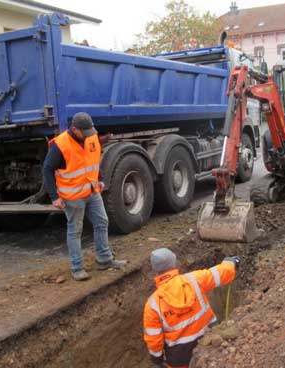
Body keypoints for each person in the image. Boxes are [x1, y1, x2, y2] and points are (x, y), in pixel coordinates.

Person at [43, 112, 126, 281]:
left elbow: (94, 160)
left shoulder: (91, 137)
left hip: (92, 191)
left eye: (90, 130)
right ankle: (77, 268)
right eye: (85, 131)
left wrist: (100, 178)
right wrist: (54, 197)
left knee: (102, 222)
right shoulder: (60, 145)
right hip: (72, 197)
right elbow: (47, 169)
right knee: (75, 231)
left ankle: (105, 259)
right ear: (74, 129)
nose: (89, 134)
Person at [143, 248, 240, 368]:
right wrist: (231, 261)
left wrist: (157, 361)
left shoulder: (152, 304)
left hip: (179, 356)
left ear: (155, 269)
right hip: (209, 341)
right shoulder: (194, 279)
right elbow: (221, 273)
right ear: (174, 263)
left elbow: (154, 339)